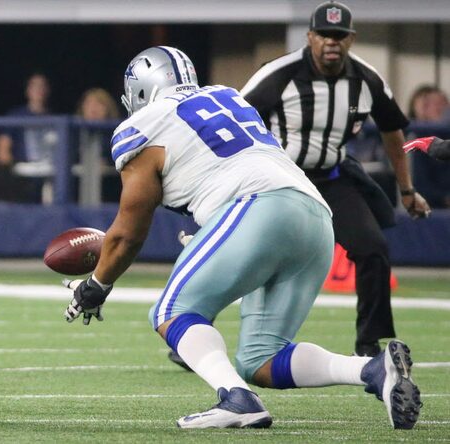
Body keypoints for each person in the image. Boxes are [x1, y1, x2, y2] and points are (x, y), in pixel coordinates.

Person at [62, 45, 421, 429]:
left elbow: (128, 232)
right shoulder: (228, 96)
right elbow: (224, 165)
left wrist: (97, 284)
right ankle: (373, 371)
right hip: (314, 216)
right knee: (260, 358)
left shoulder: (144, 124)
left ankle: (236, 400)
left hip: (255, 208)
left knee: (171, 311)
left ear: (141, 91)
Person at [239, 1, 430, 358]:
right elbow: (235, 119)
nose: (332, 42)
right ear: (310, 36)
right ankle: (197, 320)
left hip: (332, 178)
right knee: (243, 251)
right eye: (324, 34)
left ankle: (368, 343)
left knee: (373, 250)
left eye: (339, 35)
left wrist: (407, 190)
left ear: (351, 39)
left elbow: (392, 130)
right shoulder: (280, 73)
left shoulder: (366, 78)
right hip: (281, 180)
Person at [0, 73, 58, 202]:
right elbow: (2, 150)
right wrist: (11, 172)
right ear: (27, 90)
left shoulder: (54, 119)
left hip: (49, 173)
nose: (39, 90)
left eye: (42, 86)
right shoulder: (16, 116)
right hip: (23, 174)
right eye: (34, 86)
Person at [406, 86, 450, 208]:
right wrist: (445, 198)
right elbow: (419, 187)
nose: (437, 108)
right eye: (426, 105)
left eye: (442, 102)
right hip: (429, 211)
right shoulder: (415, 140)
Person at [76, 88, 121, 204]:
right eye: (89, 103)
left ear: (108, 108)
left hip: (111, 192)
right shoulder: (75, 133)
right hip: (78, 192)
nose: (93, 108)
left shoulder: (118, 133)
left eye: (99, 104)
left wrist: (107, 162)